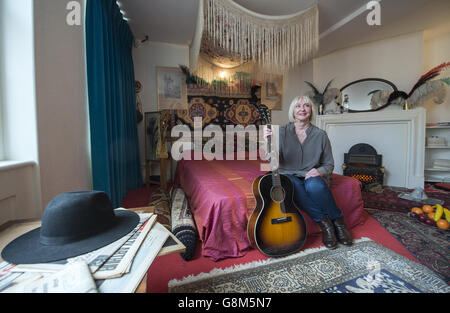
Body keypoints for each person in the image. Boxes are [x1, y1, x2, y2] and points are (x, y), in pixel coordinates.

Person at [263, 95, 353, 249]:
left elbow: (329, 164)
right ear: (293, 111)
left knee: (315, 187)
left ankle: (339, 221)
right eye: (298, 106)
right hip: (288, 174)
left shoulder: (320, 135)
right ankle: (326, 224)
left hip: (311, 174)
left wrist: (319, 171)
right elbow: (271, 160)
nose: (302, 109)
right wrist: (267, 142)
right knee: (293, 186)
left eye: (306, 106)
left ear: (311, 111)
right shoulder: (282, 132)